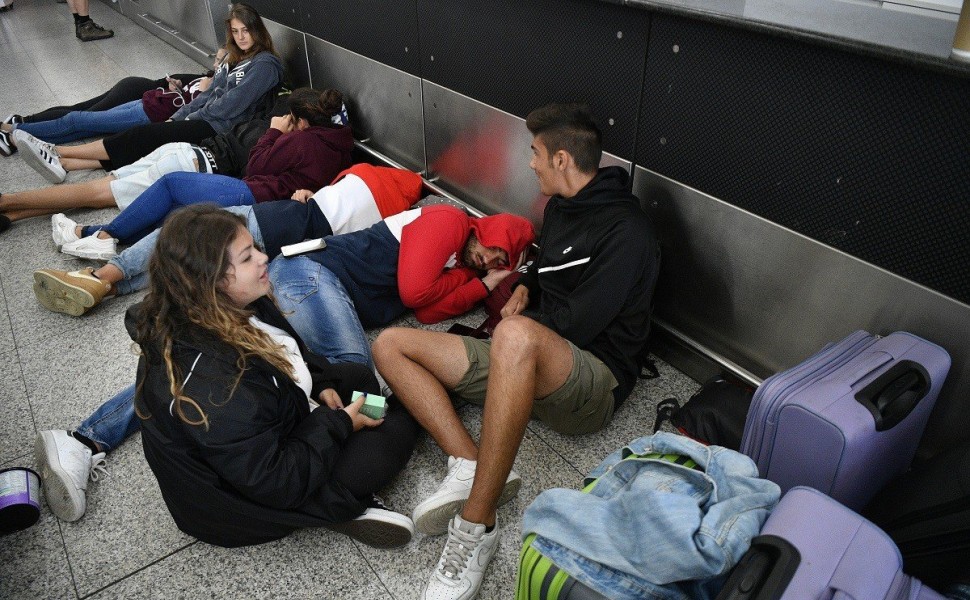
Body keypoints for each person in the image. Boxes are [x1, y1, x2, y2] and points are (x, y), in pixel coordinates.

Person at [370, 103, 659, 599]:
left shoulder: (628, 234)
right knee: (390, 344)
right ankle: (468, 465)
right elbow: (548, 268)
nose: (530, 163)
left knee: (514, 335)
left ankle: (475, 526)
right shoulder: (564, 207)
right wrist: (525, 284)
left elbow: (581, 326)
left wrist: (519, 324)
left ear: (563, 159)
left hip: (593, 382)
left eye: (536, 153)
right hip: (529, 358)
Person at [36, 205, 421, 548]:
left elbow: (293, 355)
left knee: (357, 379)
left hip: (272, 433)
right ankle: (342, 502)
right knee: (390, 436)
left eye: (255, 247)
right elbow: (276, 481)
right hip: (239, 505)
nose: (264, 257)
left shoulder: (237, 303)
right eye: (248, 255)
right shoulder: (218, 387)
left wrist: (320, 387)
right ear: (213, 282)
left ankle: (342, 477)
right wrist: (338, 424)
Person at [33, 164, 424, 318]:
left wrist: (308, 193)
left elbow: (326, 190)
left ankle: (101, 274)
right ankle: (105, 287)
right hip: (302, 243)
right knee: (198, 262)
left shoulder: (365, 173)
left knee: (185, 240)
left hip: (280, 218)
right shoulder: (392, 215)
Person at [47, 87, 353, 258]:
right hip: (273, 203)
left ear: (302, 122)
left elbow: (256, 166)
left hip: (257, 194)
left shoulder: (302, 140)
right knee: (177, 215)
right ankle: (90, 234)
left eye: (291, 117)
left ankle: (104, 235)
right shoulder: (338, 145)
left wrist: (273, 133)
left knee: (171, 185)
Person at [15, 3, 282, 182]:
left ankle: (57, 152)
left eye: (246, 30)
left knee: (141, 136)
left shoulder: (265, 64)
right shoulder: (232, 59)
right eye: (235, 32)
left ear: (257, 30)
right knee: (144, 140)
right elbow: (209, 94)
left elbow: (232, 103)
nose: (241, 37)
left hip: (218, 127)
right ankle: (66, 163)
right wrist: (180, 114)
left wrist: (186, 119)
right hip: (203, 117)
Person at [0, 84, 321, 230]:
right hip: (193, 165)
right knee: (96, 194)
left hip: (181, 152)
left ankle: (13, 214)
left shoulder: (262, 126)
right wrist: (277, 135)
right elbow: (253, 172)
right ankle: (7, 200)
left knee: (98, 191)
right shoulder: (276, 141)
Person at [267, 203, 534, 365]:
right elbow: (414, 294)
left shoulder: (463, 266)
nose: (487, 259)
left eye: (498, 263)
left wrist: (486, 285)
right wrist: (468, 279)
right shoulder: (452, 221)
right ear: (488, 230)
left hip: (322, 284)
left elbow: (426, 314)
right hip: (310, 270)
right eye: (494, 247)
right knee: (355, 368)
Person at [0, 50, 225, 153]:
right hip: (142, 99)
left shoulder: (217, 90)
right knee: (80, 118)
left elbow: (189, 112)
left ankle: (15, 129)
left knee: (77, 118)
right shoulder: (204, 78)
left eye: (222, 61)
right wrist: (175, 87)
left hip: (143, 110)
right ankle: (19, 132)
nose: (216, 64)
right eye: (216, 59)